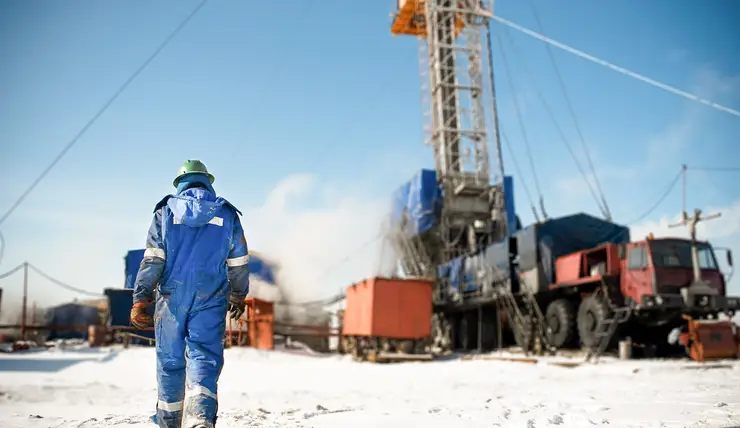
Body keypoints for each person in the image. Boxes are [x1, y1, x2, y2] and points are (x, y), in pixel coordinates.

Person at [129, 159, 250, 428]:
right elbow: (239, 261)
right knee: (204, 356)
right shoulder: (227, 214)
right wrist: (239, 295)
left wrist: (141, 298)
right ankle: (200, 418)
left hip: (172, 298)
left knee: (170, 360)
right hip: (211, 295)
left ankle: (169, 421)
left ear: (180, 184)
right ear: (207, 181)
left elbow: (153, 260)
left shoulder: (165, 212)